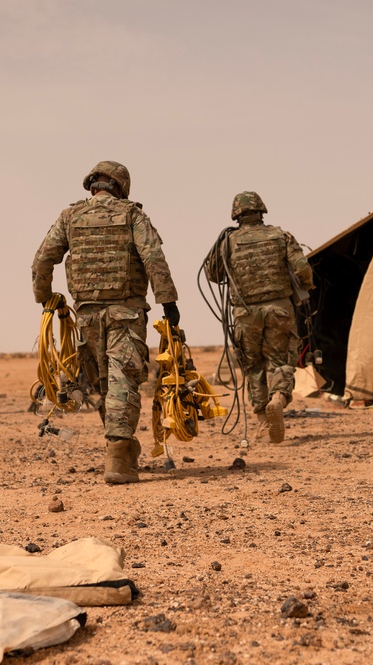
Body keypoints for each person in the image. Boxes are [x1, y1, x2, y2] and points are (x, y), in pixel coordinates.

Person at [31, 160, 179, 485]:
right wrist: (168, 302)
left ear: (92, 184)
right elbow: (153, 257)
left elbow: (43, 258)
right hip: (125, 314)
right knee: (123, 381)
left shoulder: (70, 217)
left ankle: (121, 452)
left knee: (102, 385)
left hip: (86, 317)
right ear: (121, 186)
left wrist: (44, 297)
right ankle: (118, 453)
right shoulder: (131, 214)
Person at [203, 191, 314, 444]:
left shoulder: (228, 242)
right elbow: (302, 270)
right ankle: (278, 398)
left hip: (245, 313)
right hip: (279, 308)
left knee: (253, 366)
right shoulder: (281, 235)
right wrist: (307, 285)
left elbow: (213, 274)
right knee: (281, 361)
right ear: (261, 211)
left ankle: (263, 423)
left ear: (236, 214)